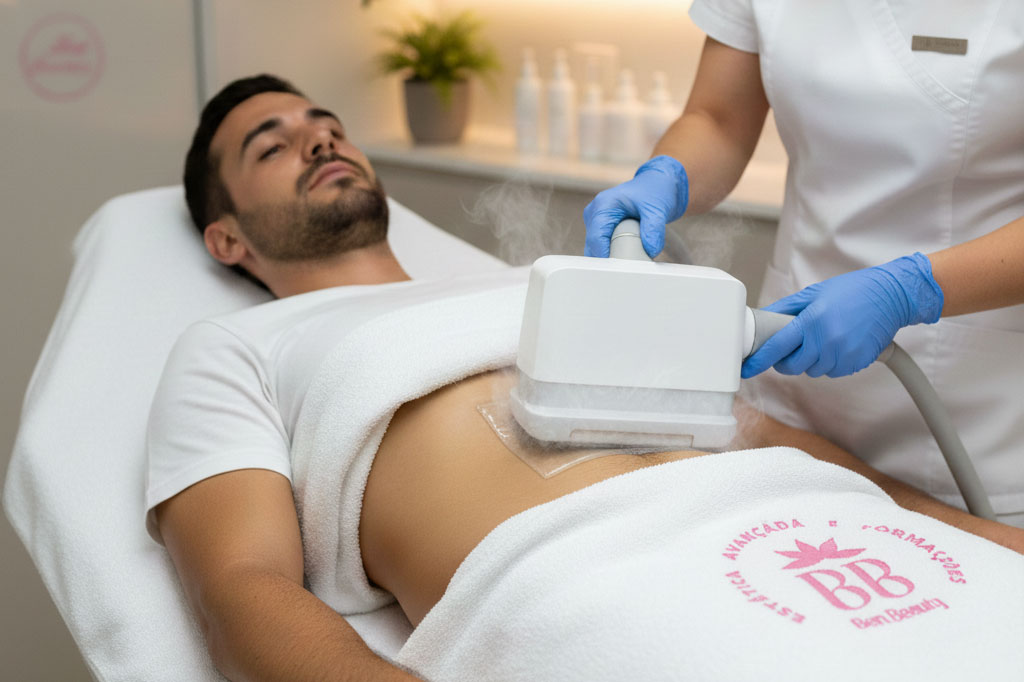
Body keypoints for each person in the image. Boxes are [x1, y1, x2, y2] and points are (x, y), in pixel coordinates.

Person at [149, 75, 1024, 682]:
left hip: (815, 521)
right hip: (593, 573)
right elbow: (242, 587)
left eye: (329, 126)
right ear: (227, 238)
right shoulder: (237, 347)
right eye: (272, 146)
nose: (320, 140)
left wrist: (975, 537)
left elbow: (763, 432)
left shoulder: (532, 283)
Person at [584, 1, 1024, 528]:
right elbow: (718, 119)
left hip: (971, 412)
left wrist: (911, 290)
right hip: (792, 394)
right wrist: (667, 175)